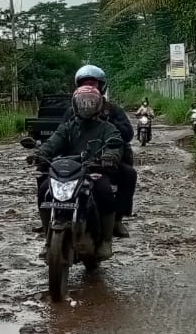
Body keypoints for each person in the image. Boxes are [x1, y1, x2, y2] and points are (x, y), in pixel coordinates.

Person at [31, 83, 125, 258]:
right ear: (75, 105)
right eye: (82, 102)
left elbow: (114, 143)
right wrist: (39, 154)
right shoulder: (68, 127)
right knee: (45, 189)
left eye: (90, 102)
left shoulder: (107, 128)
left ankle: (106, 241)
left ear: (98, 105)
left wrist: (110, 156)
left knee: (104, 191)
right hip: (68, 171)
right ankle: (47, 239)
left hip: (94, 169)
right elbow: (52, 143)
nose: (86, 106)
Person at [62, 64, 137, 234]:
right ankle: (51, 215)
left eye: (93, 84)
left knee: (129, 174)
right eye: (84, 84)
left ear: (101, 87)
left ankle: (117, 219)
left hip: (106, 160)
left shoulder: (112, 110)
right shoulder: (71, 112)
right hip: (76, 160)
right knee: (44, 172)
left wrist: (106, 121)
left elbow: (128, 134)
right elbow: (59, 137)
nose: (89, 88)